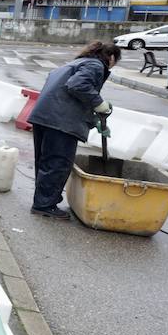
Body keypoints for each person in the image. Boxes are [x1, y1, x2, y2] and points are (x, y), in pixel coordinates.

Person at [27, 41, 121, 220]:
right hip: (61, 123)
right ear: (111, 57)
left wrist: (94, 121)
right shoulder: (95, 65)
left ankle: (43, 201)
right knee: (57, 164)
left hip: (44, 117)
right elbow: (78, 85)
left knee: (45, 161)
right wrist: (99, 103)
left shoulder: (74, 64)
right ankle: (44, 205)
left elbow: (69, 96)